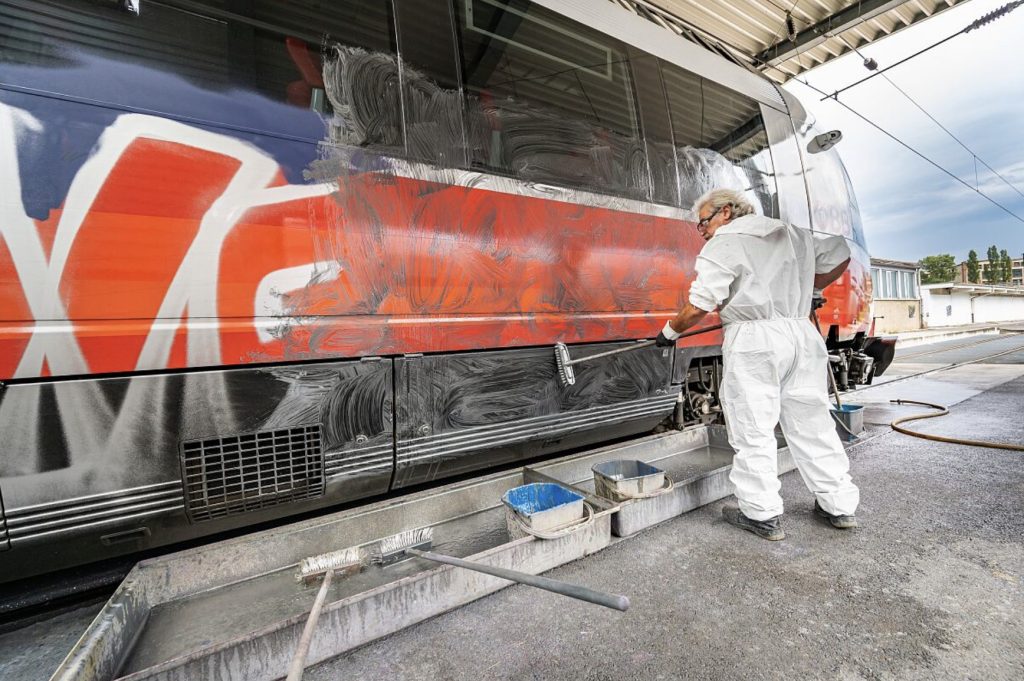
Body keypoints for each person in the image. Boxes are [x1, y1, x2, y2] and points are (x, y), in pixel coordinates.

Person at [656, 188, 859, 541]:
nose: (701, 230)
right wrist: (805, 285)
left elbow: (700, 304)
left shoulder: (724, 243)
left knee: (753, 427)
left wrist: (669, 333)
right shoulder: (791, 232)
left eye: (703, 222)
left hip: (754, 340)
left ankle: (760, 513)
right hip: (800, 333)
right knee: (812, 421)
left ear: (727, 212)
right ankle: (838, 505)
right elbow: (840, 252)